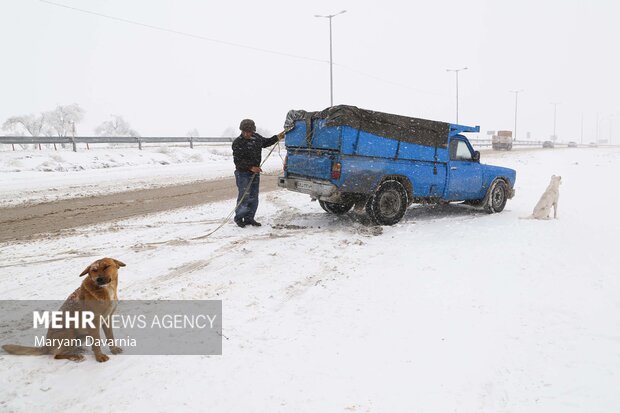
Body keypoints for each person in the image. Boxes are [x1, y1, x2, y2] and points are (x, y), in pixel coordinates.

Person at [232, 119, 283, 228]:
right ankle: (239, 218)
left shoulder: (257, 138)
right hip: (243, 174)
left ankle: (249, 218)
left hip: (254, 174)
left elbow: (266, 142)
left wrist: (278, 137)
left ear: (253, 131)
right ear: (241, 130)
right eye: (244, 131)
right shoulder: (237, 142)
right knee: (244, 196)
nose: (246, 133)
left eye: (249, 131)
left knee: (253, 196)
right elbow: (238, 161)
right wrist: (251, 167)